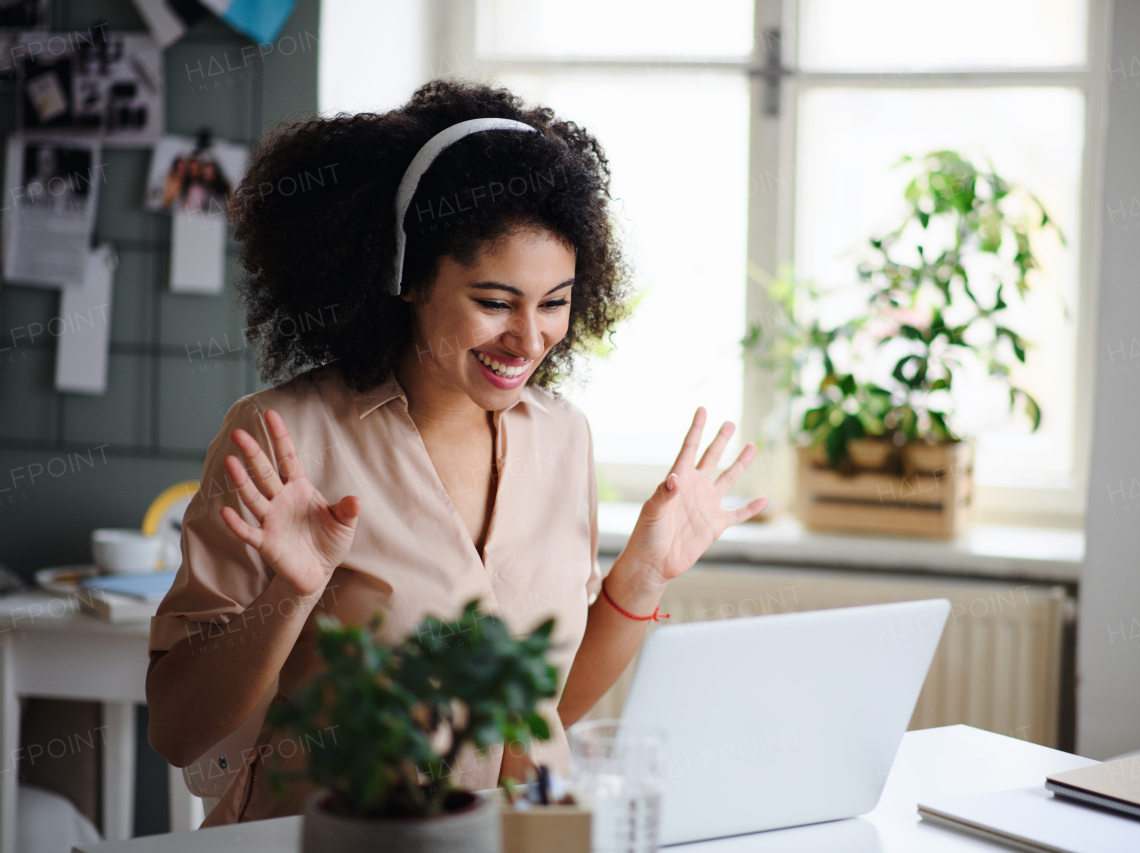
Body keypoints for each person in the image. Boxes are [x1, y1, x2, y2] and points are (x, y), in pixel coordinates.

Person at [144, 79, 768, 826]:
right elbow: (178, 730)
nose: (530, 339)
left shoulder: (564, 438)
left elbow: (536, 711)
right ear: (407, 277)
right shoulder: (282, 436)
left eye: (556, 301)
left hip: (522, 836)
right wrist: (288, 594)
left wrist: (640, 575)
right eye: (495, 301)